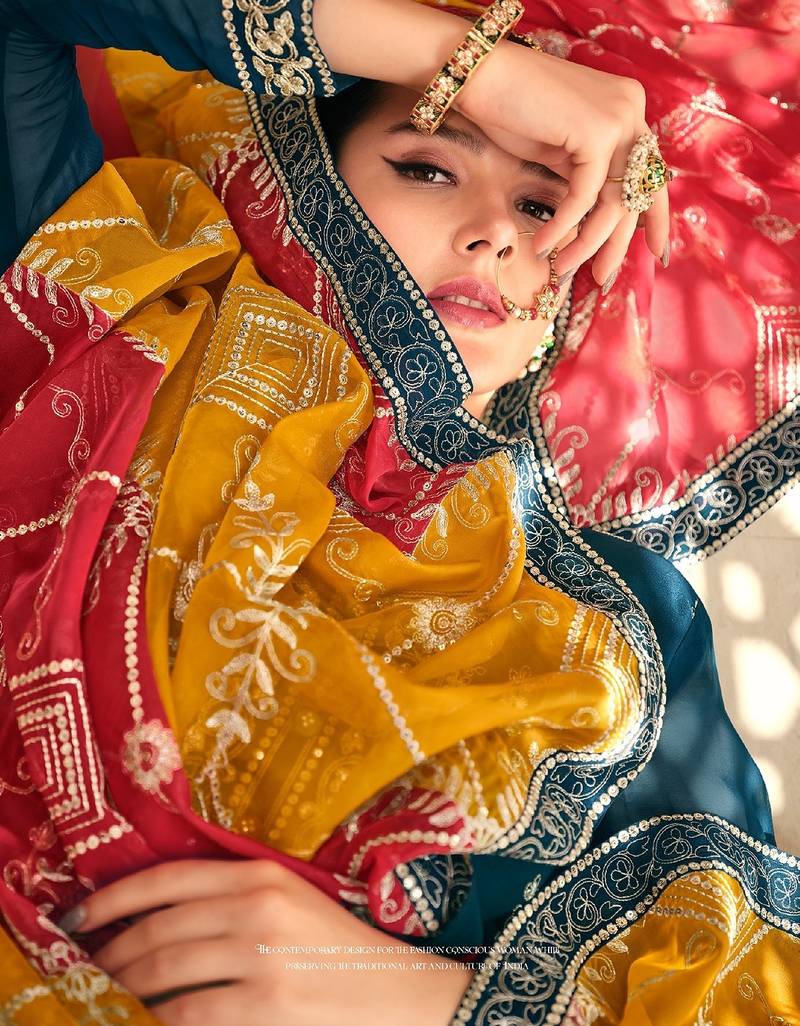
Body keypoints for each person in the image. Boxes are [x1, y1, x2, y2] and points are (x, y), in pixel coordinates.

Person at [0, 2, 798, 1025]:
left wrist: (408, 994)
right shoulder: (112, 310)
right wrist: (476, 66)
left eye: (544, 204)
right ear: (303, 179)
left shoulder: (620, 624)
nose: (495, 231)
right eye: (427, 166)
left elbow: (742, 986)